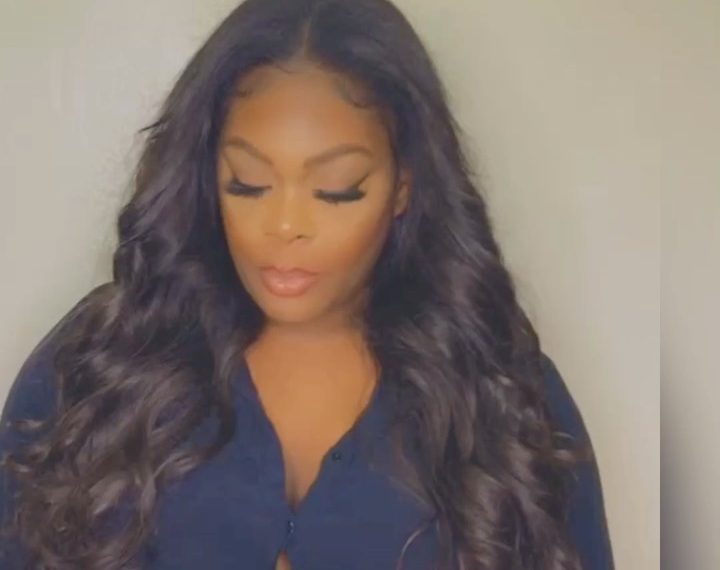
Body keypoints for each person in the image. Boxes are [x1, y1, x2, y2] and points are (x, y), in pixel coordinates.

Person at [0, 0, 614, 569]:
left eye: (337, 190)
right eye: (247, 183)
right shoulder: (99, 365)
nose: (285, 225)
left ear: (404, 186)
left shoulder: (502, 394)